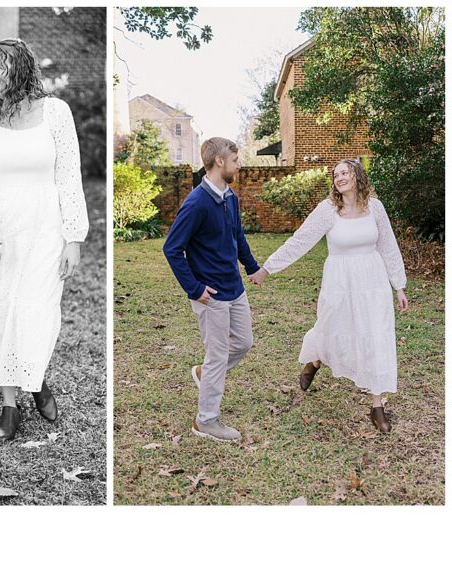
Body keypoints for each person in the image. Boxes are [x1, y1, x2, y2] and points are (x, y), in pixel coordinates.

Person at [0, 39, 88, 442]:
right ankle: (10, 403)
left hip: (46, 225)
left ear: (19, 69)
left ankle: (35, 377)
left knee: (35, 308)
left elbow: (69, 175)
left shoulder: (56, 112)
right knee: (1, 309)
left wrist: (73, 237)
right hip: (2, 226)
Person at [248, 159, 408, 433]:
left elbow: (388, 246)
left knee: (377, 336)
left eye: (345, 172)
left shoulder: (375, 208)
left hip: (373, 280)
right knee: (332, 328)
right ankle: (314, 361)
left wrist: (399, 285)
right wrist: (267, 268)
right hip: (340, 280)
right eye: (335, 175)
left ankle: (377, 405)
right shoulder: (328, 210)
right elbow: (300, 240)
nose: (339, 178)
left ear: (357, 176)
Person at [163, 138, 259, 442]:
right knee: (217, 355)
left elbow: (237, 236)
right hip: (211, 295)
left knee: (244, 343)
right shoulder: (196, 203)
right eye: (234, 159)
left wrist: (252, 267)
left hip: (235, 287)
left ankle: (206, 375)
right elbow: (172, 249)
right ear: (219, 161)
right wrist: (194, 289)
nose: (238, 164)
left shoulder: (230, 197)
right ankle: (205, 421)